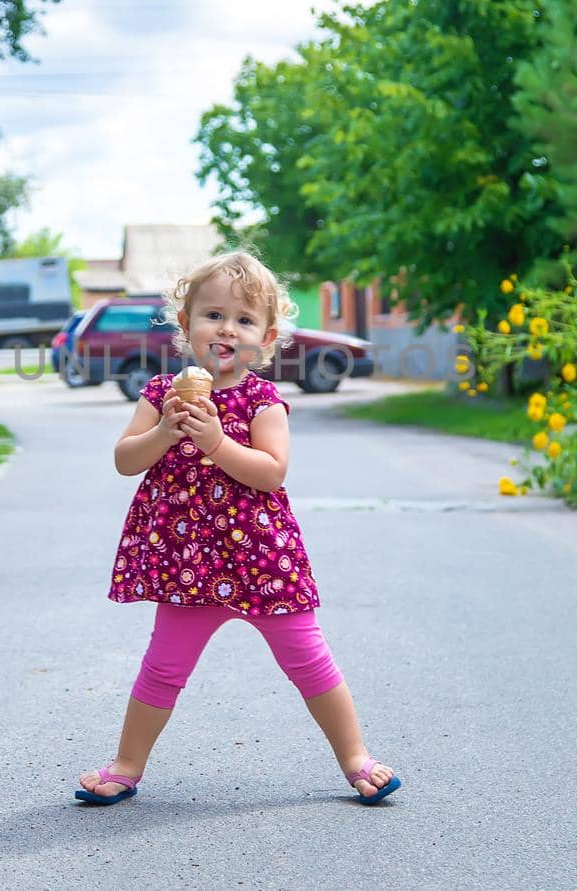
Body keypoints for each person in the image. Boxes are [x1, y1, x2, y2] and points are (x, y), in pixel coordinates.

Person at [75, 251, 401, 806]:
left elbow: (272, 473)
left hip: (261, 562)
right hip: (187, 565)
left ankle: (355, 758)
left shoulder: (262, 400)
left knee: (309, 660)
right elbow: (126, 460)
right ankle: (127, 765)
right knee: (162, 667)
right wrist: (165, 434)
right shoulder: (162, 395)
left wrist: (215, 442)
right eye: (213, 315)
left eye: (245, 320)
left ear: (265, 337)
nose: (227, 329)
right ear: (186, 325)